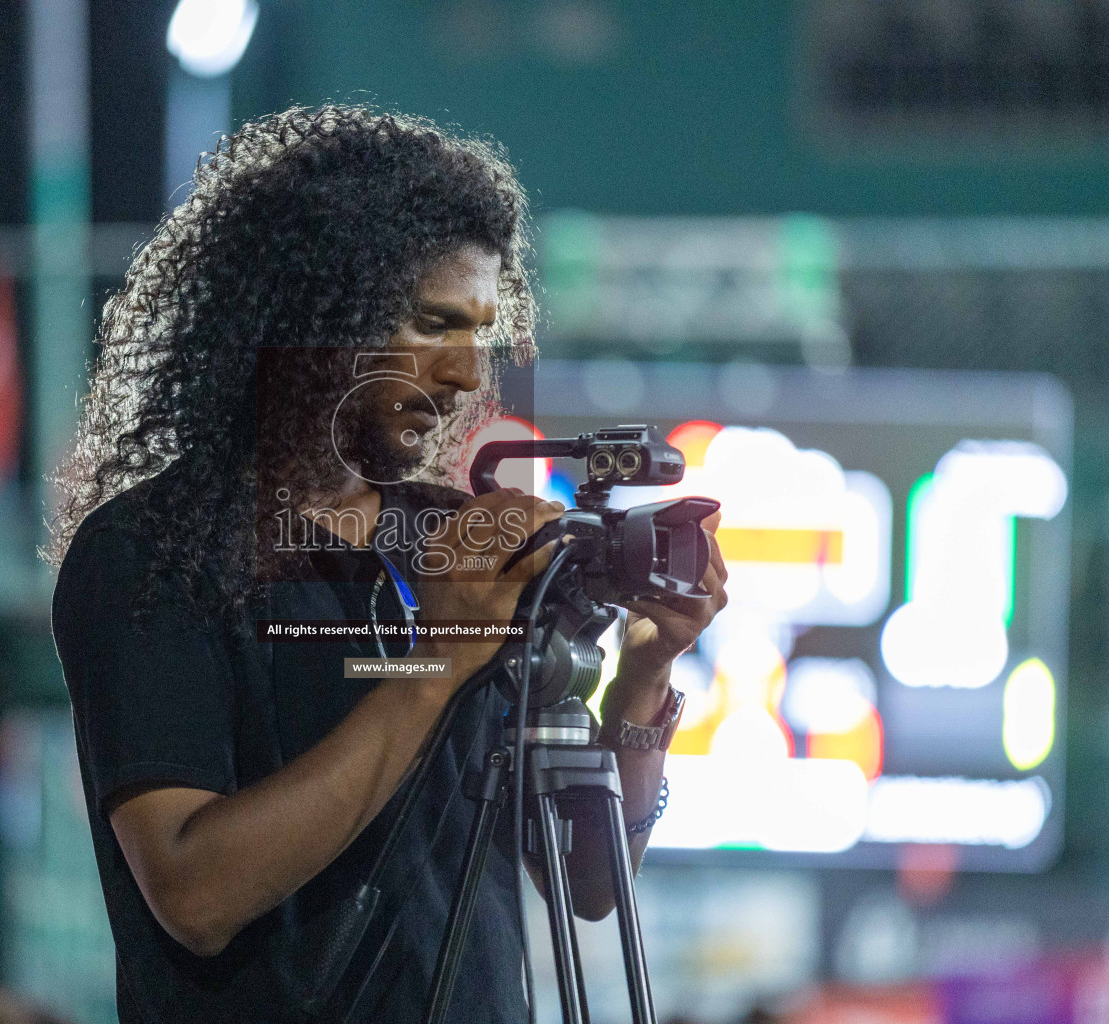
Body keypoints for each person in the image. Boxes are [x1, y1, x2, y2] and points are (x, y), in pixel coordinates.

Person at [46, 105, 728, 1024]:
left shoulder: (455, 542)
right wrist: (433, 664)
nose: (460, 375)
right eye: (431, 323)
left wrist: (644, 675)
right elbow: (195, 893)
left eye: (478, 335)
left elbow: (586, 884)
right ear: (312, 309)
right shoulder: (154, 552)